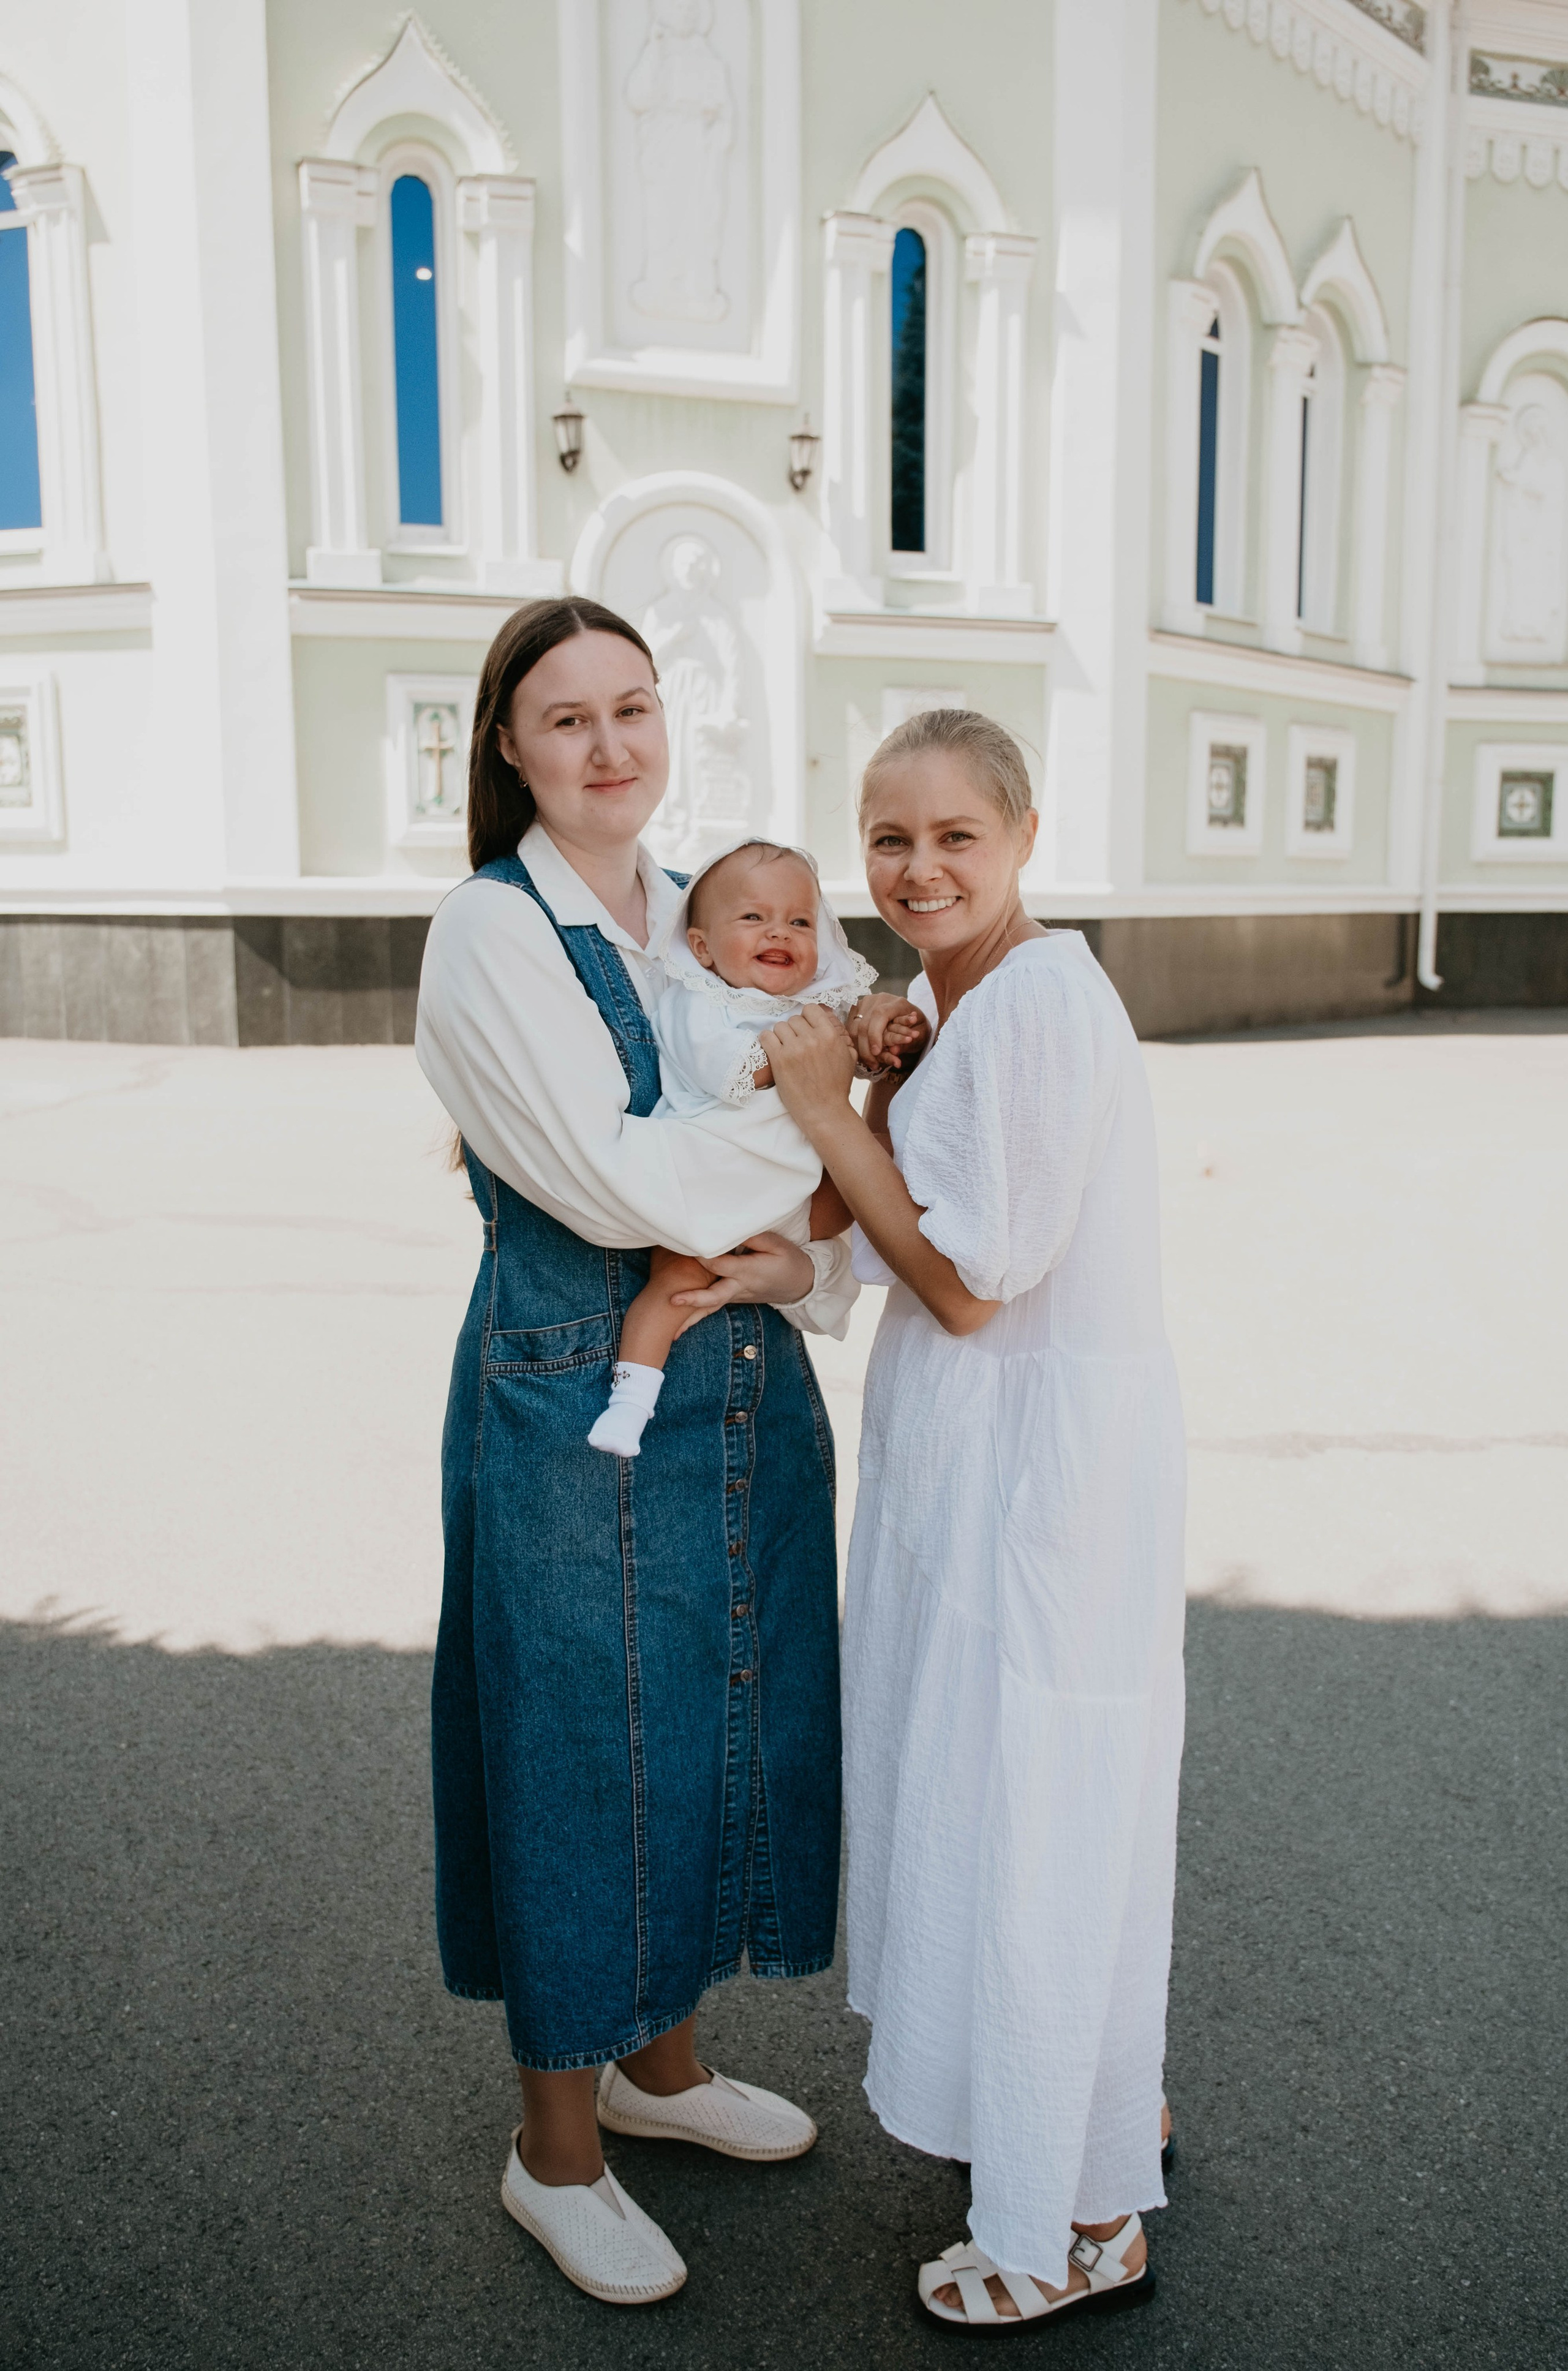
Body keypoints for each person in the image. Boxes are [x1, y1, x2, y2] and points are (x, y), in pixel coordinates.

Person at [415, 597, 857, 2308]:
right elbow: (620, 1188)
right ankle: (554, 2149)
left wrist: (800, 1225)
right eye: (566, 717)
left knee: (710, 1715)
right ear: (509, 748)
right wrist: (807, 1142)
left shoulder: (699, 906)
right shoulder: (490, 929)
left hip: (734, 1376)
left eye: (634, 706)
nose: (610, 745)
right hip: (568, 1390)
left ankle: (657, 2069)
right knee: (574, 1749)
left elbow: (818, 1121)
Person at [761, 707, 1186, 2331]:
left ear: (1022, 837)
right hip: (983, 1463)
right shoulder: (954, 998)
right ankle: (1097, 2110)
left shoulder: (1039, 1006)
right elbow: (864, 1225)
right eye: (889, 837)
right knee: (1022, 1801)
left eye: (954, 835)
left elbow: (963, 1278)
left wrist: (829, 1108)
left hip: (1039, 1485)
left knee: (1037, 1813)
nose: (917, 866)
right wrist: (862, 1086)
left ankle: (1079, 2223)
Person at [588, 835, 926, 1458]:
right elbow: (732, 1070)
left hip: (797, 1196)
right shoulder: (698, 1004)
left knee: (876, 1164)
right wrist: (824, 1045)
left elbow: (850, 1050)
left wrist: (878, 1029)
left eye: (799, 921)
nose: (779, 932)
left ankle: (872, 1258)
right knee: (676, 1287)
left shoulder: (813, 1005)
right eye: (753, 917)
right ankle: (630, 1402)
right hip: (714, 1181)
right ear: (702, 948)